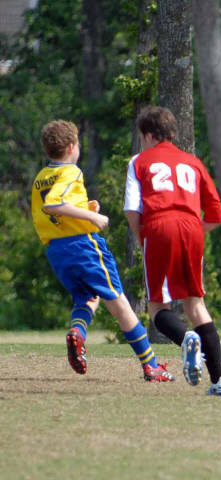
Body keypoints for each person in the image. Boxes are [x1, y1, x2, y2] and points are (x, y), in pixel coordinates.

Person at [31, 120, 174, 383]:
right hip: (83, 246)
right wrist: (92, 217)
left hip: (57, 251)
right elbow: (54, 204)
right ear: (71, 147)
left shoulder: (41, 178)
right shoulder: (70, 171)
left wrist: (85, 208)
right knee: (120, 304)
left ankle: (77, 332)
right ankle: (151, 365)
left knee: (87, 297)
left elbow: (51, 211)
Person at [123, 106, 221, 396]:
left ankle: (186, 340)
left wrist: (143, 238)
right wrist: (192, 231)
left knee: (157, 307)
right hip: (192, 226)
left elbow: (132, 209)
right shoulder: (193, 162)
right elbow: (217, 216)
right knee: (196, 305)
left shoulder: (139, 161)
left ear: (148, 135)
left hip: (159, 225)